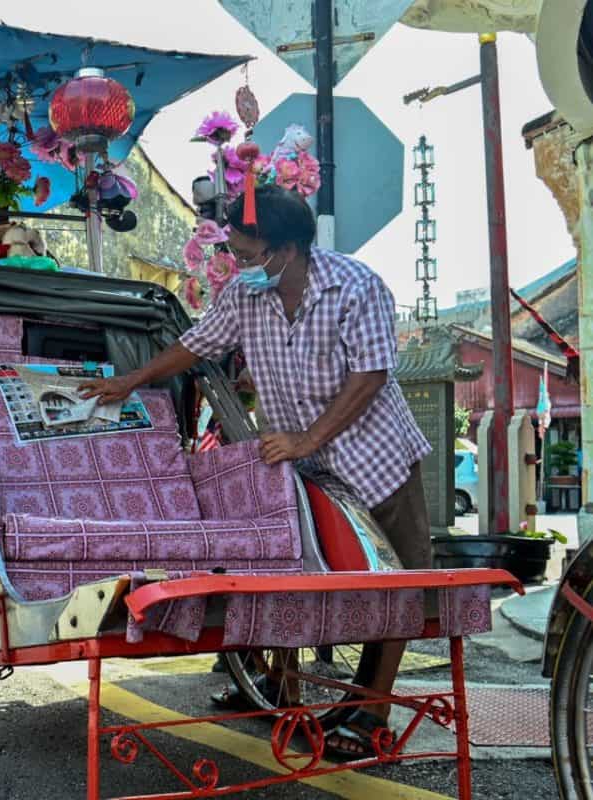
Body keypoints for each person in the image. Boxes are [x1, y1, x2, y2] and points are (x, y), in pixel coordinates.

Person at [80, 184, 432, 760]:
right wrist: (131, 381)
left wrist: (308, 439)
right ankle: (288, 686)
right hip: (306, 466)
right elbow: (197, 344)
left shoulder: (356, 286)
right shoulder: (246, 295)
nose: (240, 267)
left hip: (377, 460)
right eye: (235, 256)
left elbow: (369, 376)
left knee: (398, 580)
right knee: (302, 573)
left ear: (287, 249)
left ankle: (371, 711)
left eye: (249, 256)